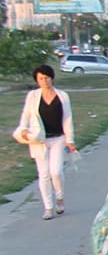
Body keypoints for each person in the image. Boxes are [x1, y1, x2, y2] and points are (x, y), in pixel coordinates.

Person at [13, 63, 77, 220]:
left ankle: (59, 198)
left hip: (57, 138)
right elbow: (26, 115)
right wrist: (23, 129)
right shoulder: (33, 96)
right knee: (44, 174)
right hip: (39, 140)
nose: (44, 81)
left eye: (47, 78)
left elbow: (67, 118)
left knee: (56, 171)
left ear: (52, 78)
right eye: (41, 79)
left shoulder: (62, 96)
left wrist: (70, 140)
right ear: (37, 80)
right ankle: (48, 207)